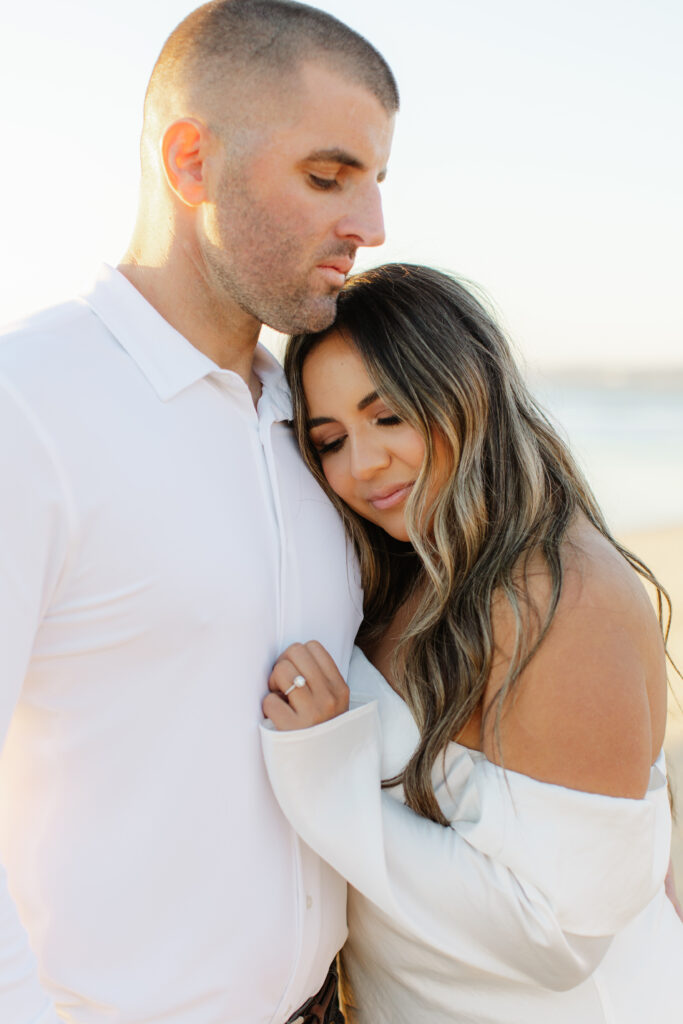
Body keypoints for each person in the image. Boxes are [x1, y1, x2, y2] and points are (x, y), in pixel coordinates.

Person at [0, 3, 397, 1022]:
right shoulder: (28, 406)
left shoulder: (320, 427)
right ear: (189, 162)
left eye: (376, 182)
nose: (371, 228)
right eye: (326, 177)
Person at [261, 263, 683, 1023]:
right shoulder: (411, 567)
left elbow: (558, 934)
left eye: (387, 417)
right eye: (329, 441)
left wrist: (326, 773)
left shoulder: (556, 592)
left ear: (467, 391)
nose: (361, 467)